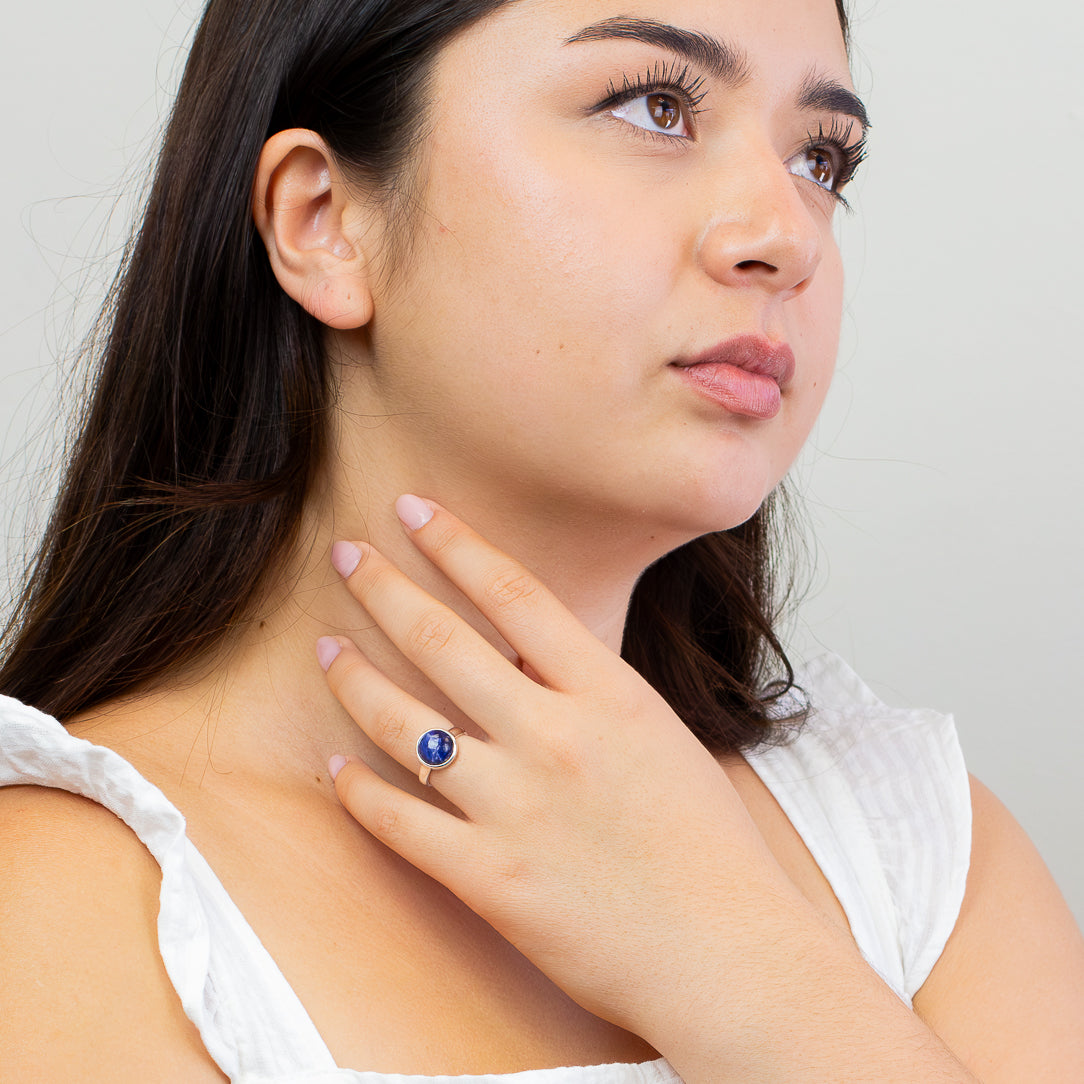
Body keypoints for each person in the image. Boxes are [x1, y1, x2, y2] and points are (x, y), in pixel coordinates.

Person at [1, 0, 1081, 1079]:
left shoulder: (916, 854)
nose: (785, 236)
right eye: (654, 106)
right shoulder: (59, 910)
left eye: (820, 157)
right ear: (322, 219)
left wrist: (741, 961)